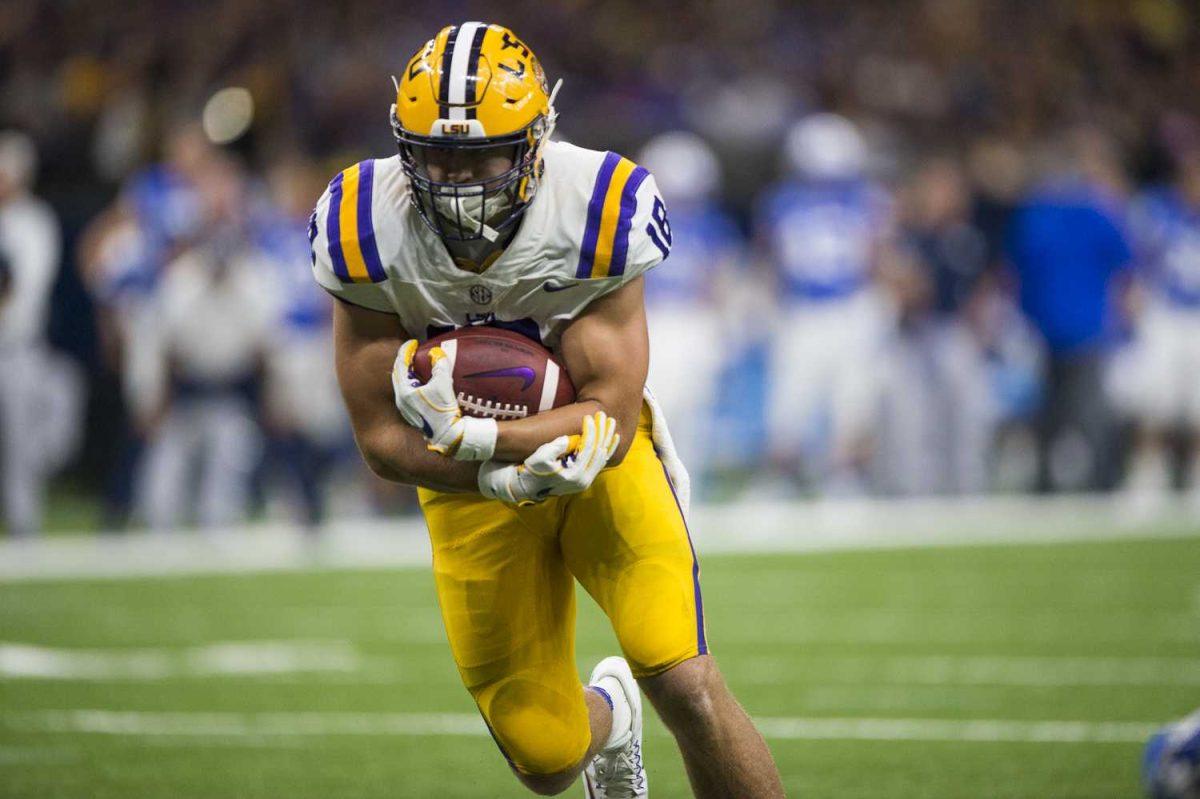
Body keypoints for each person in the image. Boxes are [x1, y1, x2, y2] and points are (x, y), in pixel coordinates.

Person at [311, 23, 783, 798]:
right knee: (547, 758)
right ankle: (611, 719)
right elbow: (378, 438)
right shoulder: (364, 225)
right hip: (465, 486)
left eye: (482, 155)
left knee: (686, 679)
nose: (457, 179)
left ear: (536, 143)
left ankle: (649, 698)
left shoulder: (596, 205)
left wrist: (492, 438)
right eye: (435, 155)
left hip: (601, 461)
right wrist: (488, 475)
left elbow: (612, 408)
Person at [756, 112, 896, 494]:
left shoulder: (782, 201)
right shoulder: (868, 199)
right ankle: (839, 479)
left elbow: (771, 259)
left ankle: (798, 480)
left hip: (811, 309)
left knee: (809, 400)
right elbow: (877, 258)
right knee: (835, 400)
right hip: (843, 307)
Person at [1005, 129, 1132, 492]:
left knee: (1059, 411)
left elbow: (1015, 270)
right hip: (1081, 324)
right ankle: (1100, 482)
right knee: (1078, 410)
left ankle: (1053, 482)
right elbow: (1125, 267)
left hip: (1051, 324)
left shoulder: (1037, 213)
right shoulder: (1093, 211)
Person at [635, 131, 745, 493]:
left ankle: (683, 488)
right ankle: (664, 488)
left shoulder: (709, 224)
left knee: (687, 414)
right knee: (660, 411)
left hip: (683, 321)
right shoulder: (634, 220)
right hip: (658, 321)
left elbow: (721, 281)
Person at [1121, 146, 1200, 504]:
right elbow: (1135, 258)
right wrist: (1134, 294)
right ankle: (1147, 477)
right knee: (1154, 402)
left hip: (1196, 315)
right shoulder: (1156, 210)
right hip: (1164, 312)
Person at [0, 131, 64, 536]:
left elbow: (26, 292)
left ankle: (25, 529)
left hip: (16, 349)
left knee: (21, 448)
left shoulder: (34, 222)